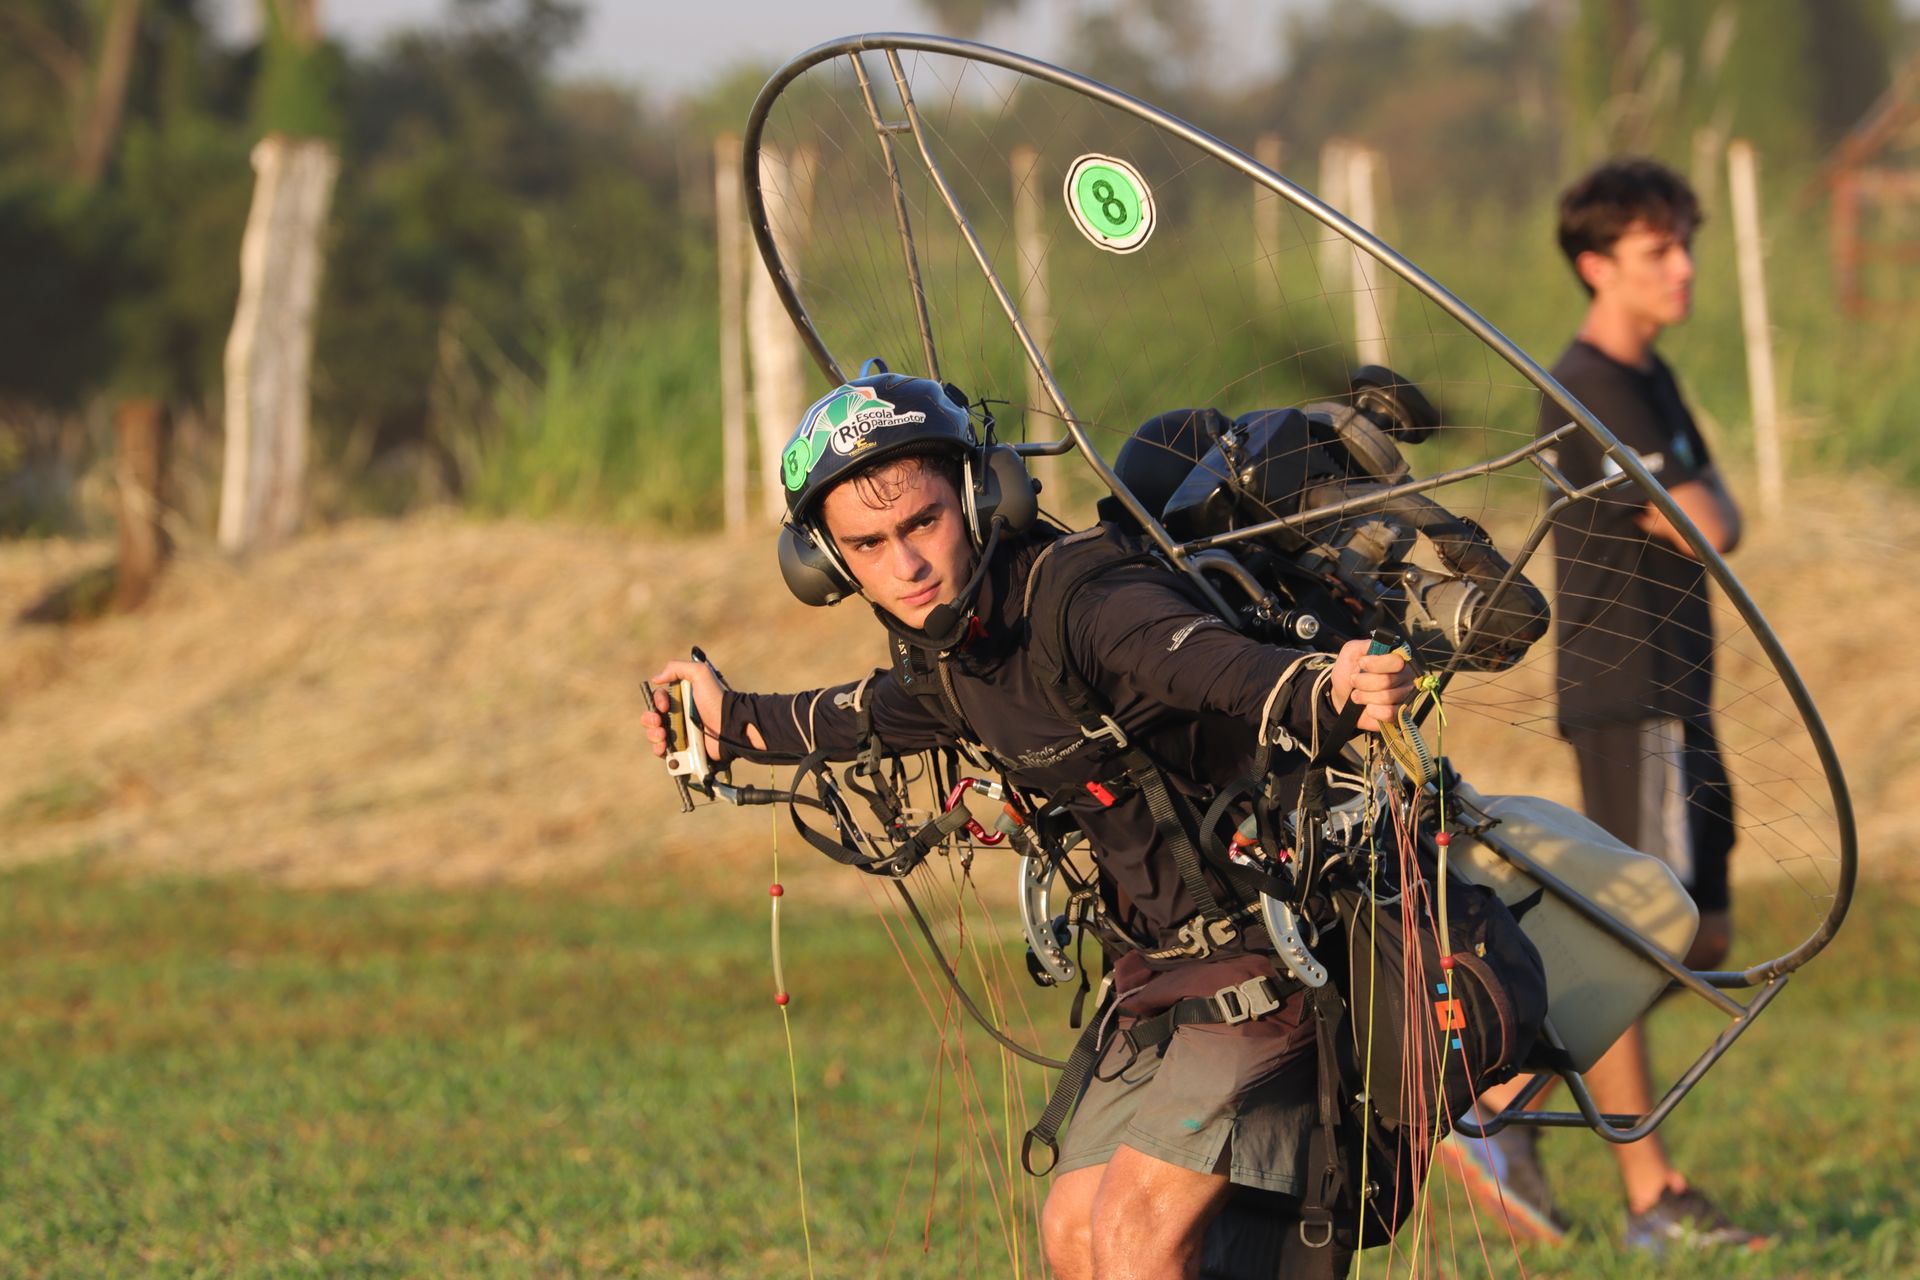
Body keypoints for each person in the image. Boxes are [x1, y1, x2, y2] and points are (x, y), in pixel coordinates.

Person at [642, 371, 1416, 1279]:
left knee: (1134, 1241)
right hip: (1159, 974)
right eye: (868, 544)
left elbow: (1224, 669)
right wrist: (732, 720)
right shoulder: (955, 654)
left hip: (1268, 957)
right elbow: (866, 714)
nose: (906, 565)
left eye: (922, 523)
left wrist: (1329, 687)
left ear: (979, 498)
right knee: (1074, 1237)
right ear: (824, 563)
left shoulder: (1084, 600)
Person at [1438, 157, 1761, 1254]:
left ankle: (1505, 1096)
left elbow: (1716, 513)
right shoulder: (1593, 390)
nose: (1682, 268)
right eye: (1657, 251)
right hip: (1634, 696)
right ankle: (1643, 1194)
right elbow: (1706, 520)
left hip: (1680, 691)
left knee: (1701, 931)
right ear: (1594, 266)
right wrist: (1703, 508)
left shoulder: (1648, 376)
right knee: (1647, 939)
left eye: (1685, 245)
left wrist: (1704, 508)